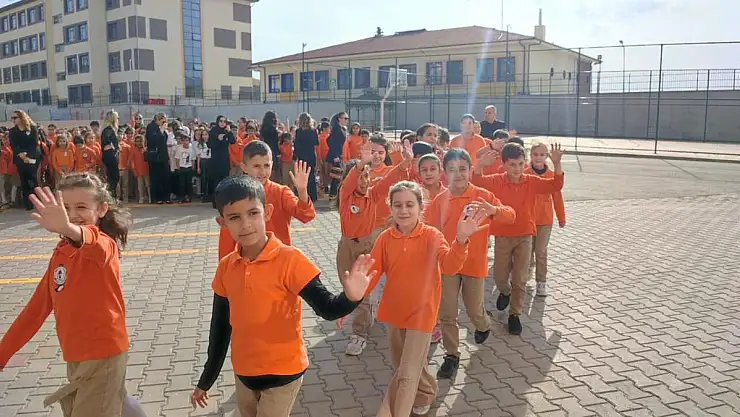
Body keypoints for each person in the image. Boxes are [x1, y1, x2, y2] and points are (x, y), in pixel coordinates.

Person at [191, 176, 374, 417]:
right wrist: (206, 379)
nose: (245, 224)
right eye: (234, 217)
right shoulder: (226, 267)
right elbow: (220, 328)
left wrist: (351, 297)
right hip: (244, 373)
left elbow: (327, 308)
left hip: (284, 372)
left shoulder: (291, 260)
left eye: (252, 213)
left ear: (267, 212)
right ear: (222, 223)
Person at [0, 174, 146, 417]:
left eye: (81, 207)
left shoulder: (104, 245)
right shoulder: (61, 253)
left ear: (102, 209)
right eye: (65, 208)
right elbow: (35, 311)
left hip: (102, 353)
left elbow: (94, 243)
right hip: (76, 354)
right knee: (118, 403)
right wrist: (3, 354)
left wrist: (68, 228)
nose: (72, 214)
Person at [363, 181, 488, 417]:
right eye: (398, 205)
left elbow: (449, 265)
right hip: (394, 311)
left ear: (421, 207)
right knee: (404, 363)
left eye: (410, 204)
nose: (403, 210)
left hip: (422, 314)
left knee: (406, 375)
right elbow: (372, 273)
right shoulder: (385, 238)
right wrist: (352, 299)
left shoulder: (432, 236)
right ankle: (427, 390)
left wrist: (461, 240)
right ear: (390, 207)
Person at [423, 148, 516, 378]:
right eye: (452, 170)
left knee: (474, 309)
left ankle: (484, 325)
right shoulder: (439, 201)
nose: (458, 174)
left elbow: (510, 215)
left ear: (470, 170)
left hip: (474, 264)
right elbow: (429, 232)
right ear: (445, 173)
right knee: (447, 312)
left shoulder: (482, 196)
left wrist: (494, 210)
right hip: (448, 264)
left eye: (462, 169)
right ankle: (451, 355)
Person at [473, 143, 564, 334]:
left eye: (521, 164)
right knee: (500, 276)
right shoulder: (497, 180)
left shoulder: (531, 181)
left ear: (525, 163)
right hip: (503, 235)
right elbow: (477, 182)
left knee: (520, 277)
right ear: (504, 165)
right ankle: (505, 291)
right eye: (512, 164)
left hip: (525, 235)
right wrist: (480, 164)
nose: (517, 169)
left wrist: (557, 164)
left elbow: (555, 185)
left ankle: (515, 314)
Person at [338, 144, 412, 356]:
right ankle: (363, 312)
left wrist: (405, 161)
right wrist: (361, 164)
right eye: (360, 177)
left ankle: (359, 334)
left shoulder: (373, 194)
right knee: (349, 288)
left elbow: (390, 180)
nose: (364, 181)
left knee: (363, 292)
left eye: (367, 176)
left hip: (366, 246)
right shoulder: (345, 195)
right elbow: (350, 181)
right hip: (346, 246)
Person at [217, 141, 316, 259]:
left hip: (279, 259)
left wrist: (302, 192)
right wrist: (227, 265)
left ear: (272, 164)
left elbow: (306, 216)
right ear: (244, 167)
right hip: (247, 262)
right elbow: (227, 239)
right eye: (256, 166)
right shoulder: (234, 196)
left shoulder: (281, 192)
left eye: (266, 165)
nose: (262, 172)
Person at [528, 142, 567, 297]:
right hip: (527, 219)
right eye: (535, 154)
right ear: (530, 155)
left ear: (546, 157)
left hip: (545, 220)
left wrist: (561, 217)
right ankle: (524, 274)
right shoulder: (524, 173)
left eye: (542, 155)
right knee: (526, 251)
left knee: (541, 251)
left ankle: (541, 282)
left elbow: (557, 197)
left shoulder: (552, 175)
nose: (538, 158)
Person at [9, 110, 41, 210]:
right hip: (20, 158)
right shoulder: (12, 131)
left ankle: (36, 202)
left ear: (22, 118)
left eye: (15, 117)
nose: (13, 120)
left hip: (32, 156)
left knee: (33, 179)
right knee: (24, 180)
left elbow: (34, 143)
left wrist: (27, 154)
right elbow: (13, 145)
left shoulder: (32, 128)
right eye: (12, 118)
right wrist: (21, 155)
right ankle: (28, 204)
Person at [207, 116, 236, 205]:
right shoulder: (213, 131)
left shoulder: (226, 132)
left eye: (224, 121)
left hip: (225, 160)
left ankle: (224, 201)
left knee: (225, 180)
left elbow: (233, 141)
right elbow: (209, 144)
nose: (222, 123)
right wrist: (218, 139)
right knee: (216, 181)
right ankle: (216, 201)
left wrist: (229, 132)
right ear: (217, 122)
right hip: (216, 160)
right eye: (221, 121)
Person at [145, 113, 172, 204]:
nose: (164, 123)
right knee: (155, 178)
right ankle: (157, 198)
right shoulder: (151, 127)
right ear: (158, 120)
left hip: (163, 155)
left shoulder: (163, 128)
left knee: (165, 177)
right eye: (163, 121)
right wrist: (161, 130)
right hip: (155, 156)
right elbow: (153, 140)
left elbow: (165, 139)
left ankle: (166, 197)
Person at [293, 113, 319, 202]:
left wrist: (294, 157)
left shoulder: (298, 132)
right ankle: (313, 195)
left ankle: (303, 194)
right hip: (311, 155)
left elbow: (296, 146)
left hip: (301, 156)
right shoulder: (313, 131)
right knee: (311, 175)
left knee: (302, 175)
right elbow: (316, 143)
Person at [326, 112, 349, 198]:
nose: (346, 120)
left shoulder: (341, 129)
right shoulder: (337, 129)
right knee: (337, 174)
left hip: (340, 154)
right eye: (345, 118)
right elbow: (330, 141)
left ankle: (334, 193)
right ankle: (333, 194)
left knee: (338, 174)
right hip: (336, 155)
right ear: (339, 119)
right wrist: (335, 156)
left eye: (347, 119)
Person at [101, 110, 121, 198]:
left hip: (109, 155)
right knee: (114, 176)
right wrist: (115, 147)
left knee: (112, 176)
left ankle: (112, 197)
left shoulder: (108, 129)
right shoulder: (108, 130)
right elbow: (106, 144)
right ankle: (111, 197)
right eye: (117, 118)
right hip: (110, 155)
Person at [174, 131, 196, 203]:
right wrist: (178, 167)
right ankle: (181, 197)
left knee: (189, 183)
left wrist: (193, 167)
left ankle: (189, 197)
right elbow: (177, 158)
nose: (185, 142)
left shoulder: (191, 149)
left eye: (187, 140)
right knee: (181, 184)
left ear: (189, 141)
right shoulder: (179, 148)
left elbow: (193, 159)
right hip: (182, 167)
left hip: (189, 167)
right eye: (183, 140)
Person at [259, 111, 280, 181]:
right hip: (273, 151)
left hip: (264, 150)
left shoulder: (263, 129)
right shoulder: (274, 130)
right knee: (273, 170)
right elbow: (276, 142)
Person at [0, 134, 20, 208]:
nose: (6, 140)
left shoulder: (10, 147)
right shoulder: (6, 148)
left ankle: (10, 200)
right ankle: (7, 200)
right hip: (8, 169)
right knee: (7, 185)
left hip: (9, 169)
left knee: (12, 185)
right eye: (5, 139)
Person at [131, 135, 150, 204]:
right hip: (138, 170)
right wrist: (134, 170)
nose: (139, 143)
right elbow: (132, 161)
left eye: (140, 141)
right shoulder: (133, 150)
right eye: (137, 141)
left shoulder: (146, 149)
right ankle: (141, 197)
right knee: (140, 185)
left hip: (146, 170)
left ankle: (150, 197)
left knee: (148, 184)